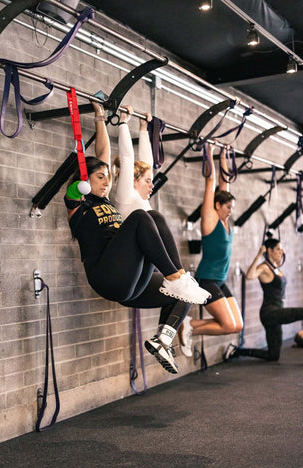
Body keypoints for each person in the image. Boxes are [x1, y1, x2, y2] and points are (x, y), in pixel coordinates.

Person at [64, 100, 211, 374]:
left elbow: (104, 152)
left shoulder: (106, 199)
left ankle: (163, 338)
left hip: (130, 282)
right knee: (142, 217)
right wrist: (77, 187)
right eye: (100, 177)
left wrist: (100, 116)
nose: (106, 181)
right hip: (106, 277)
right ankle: (176, 277)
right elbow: (72, 194)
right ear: (86, 180)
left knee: (157, 224)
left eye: (108, 177)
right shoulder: (79, 207)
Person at [179, 143, 243, 357]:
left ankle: (189, 325)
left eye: (232, 208)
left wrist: (224, 155)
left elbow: (225, 184)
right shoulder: (210, 220)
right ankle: (189, 325)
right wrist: (209, 151)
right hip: (206, 280)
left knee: (237, 326)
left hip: (220, 280)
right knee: (226, 324)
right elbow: (212, 182)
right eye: (228, 208)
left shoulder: (224, 218)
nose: (230, 212)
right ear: (217, 206)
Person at [223, 238, 303, 362]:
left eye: (281, 249)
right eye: (277, 249)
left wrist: (281, 254)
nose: (281, 251)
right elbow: (249, 276)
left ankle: (237, 351)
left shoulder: (275, 267)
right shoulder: (264, 267)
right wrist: (259, 254)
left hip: (277, 313)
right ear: (269, 251)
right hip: (270, 312)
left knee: (273, 356)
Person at [111, 105, 154, 219]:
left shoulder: (142, 199)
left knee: (155, 217)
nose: (152, 185)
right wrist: (123, 122)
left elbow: (149, 163)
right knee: (153, 216)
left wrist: (143, 128)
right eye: (148, 181)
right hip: (126, 236)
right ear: (134, 181)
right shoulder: (126, 195)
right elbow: (127, 158)